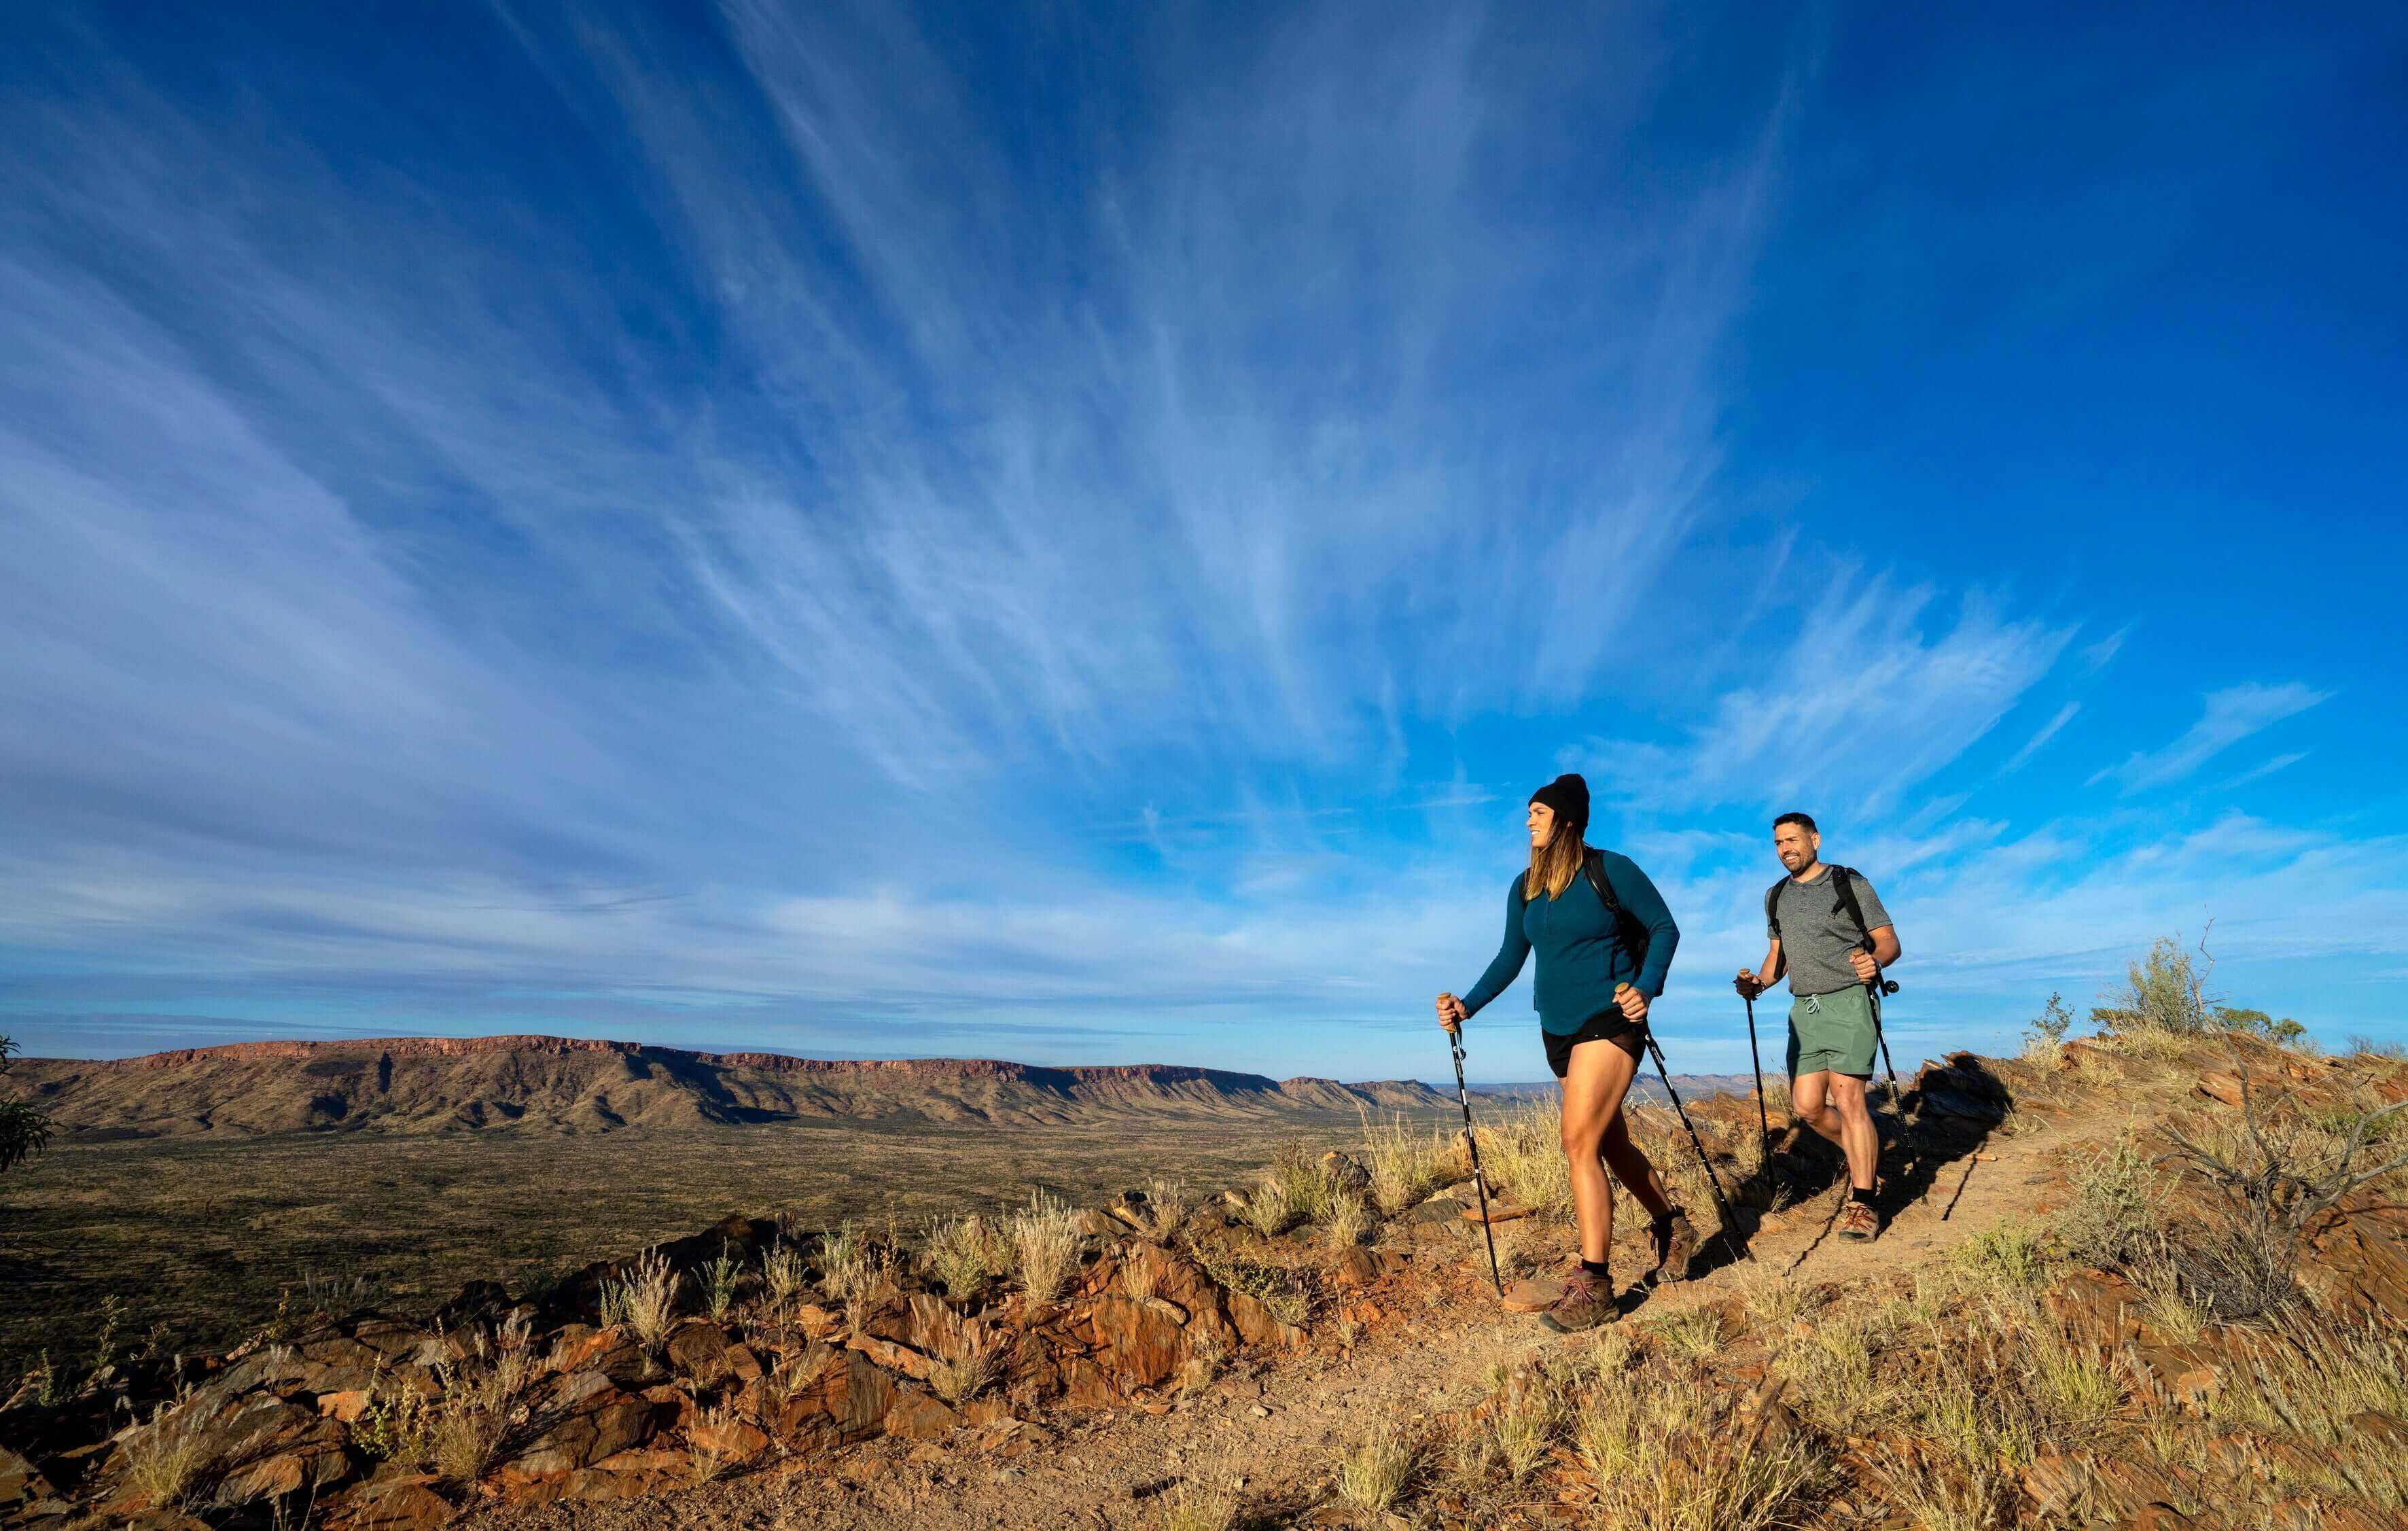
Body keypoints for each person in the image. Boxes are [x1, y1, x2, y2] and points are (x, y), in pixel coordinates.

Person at [1435, 773, 1695, 1331]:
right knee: (1609, 1143)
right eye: (1528, 811)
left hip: (1611, 1017)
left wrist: (1644, 987)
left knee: (1577, 1140)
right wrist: (1468, 1005)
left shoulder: (1610, 869)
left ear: (1568, 818)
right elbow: (1511, 955)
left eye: (1539, 811)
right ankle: (1674, 1225)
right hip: (1556, 1028)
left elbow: (1664, 928)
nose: (1528, 819)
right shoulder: (1525, 885)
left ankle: (1595, 1282)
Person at [1732, 811, 1902, 1241]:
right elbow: (1777, 959)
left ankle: (1863, 1203)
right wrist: (1758, 984)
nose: (1785, 849)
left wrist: (1874, 961)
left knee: (1849, 1102)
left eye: (1792, 840)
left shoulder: (1849, 883)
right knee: (1807, 1107)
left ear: (1815, 840)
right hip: (1803, 1010)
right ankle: (1865, 1154)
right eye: (1778, 843)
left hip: (1849, 1001)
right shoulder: (1776, 897)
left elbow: (1889, 942)